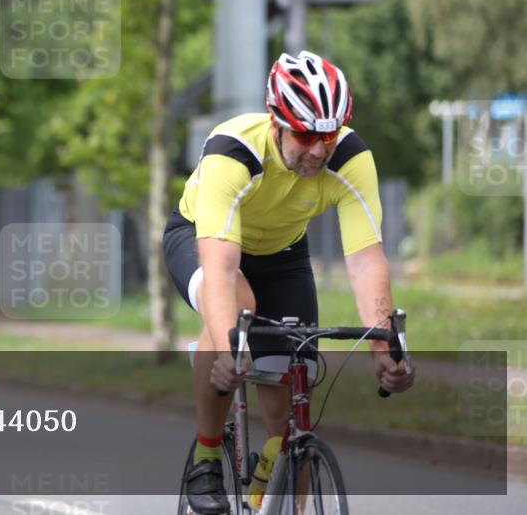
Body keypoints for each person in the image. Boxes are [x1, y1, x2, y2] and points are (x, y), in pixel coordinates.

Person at [164, 51, 416, 514]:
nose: (319, 149)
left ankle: (274, 485)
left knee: (290, 409)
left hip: (283, 256)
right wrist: (228, 348)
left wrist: (383, 348)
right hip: (202, 240)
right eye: (305, 134)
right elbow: (220, 267)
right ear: (276, 122)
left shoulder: (352, 157)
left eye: (328, 134)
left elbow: (365, 259)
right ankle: (205, 458)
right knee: (237, 314)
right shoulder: (233, 151)